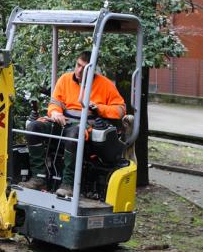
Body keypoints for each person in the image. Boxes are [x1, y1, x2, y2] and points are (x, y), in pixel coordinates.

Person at [21, 51, 126, 198]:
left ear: (93, 69)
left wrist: (99, 108)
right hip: (63, 121)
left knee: (73, 135)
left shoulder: (106, 85)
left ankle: (68, 184)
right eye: (78, 65)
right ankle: (39, 178)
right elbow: (54, 103)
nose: (79, 70)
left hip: (85, 125)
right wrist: (56, 113)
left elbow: (120, 110)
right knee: (34, 128)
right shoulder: (64, 80)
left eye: (85, 68)